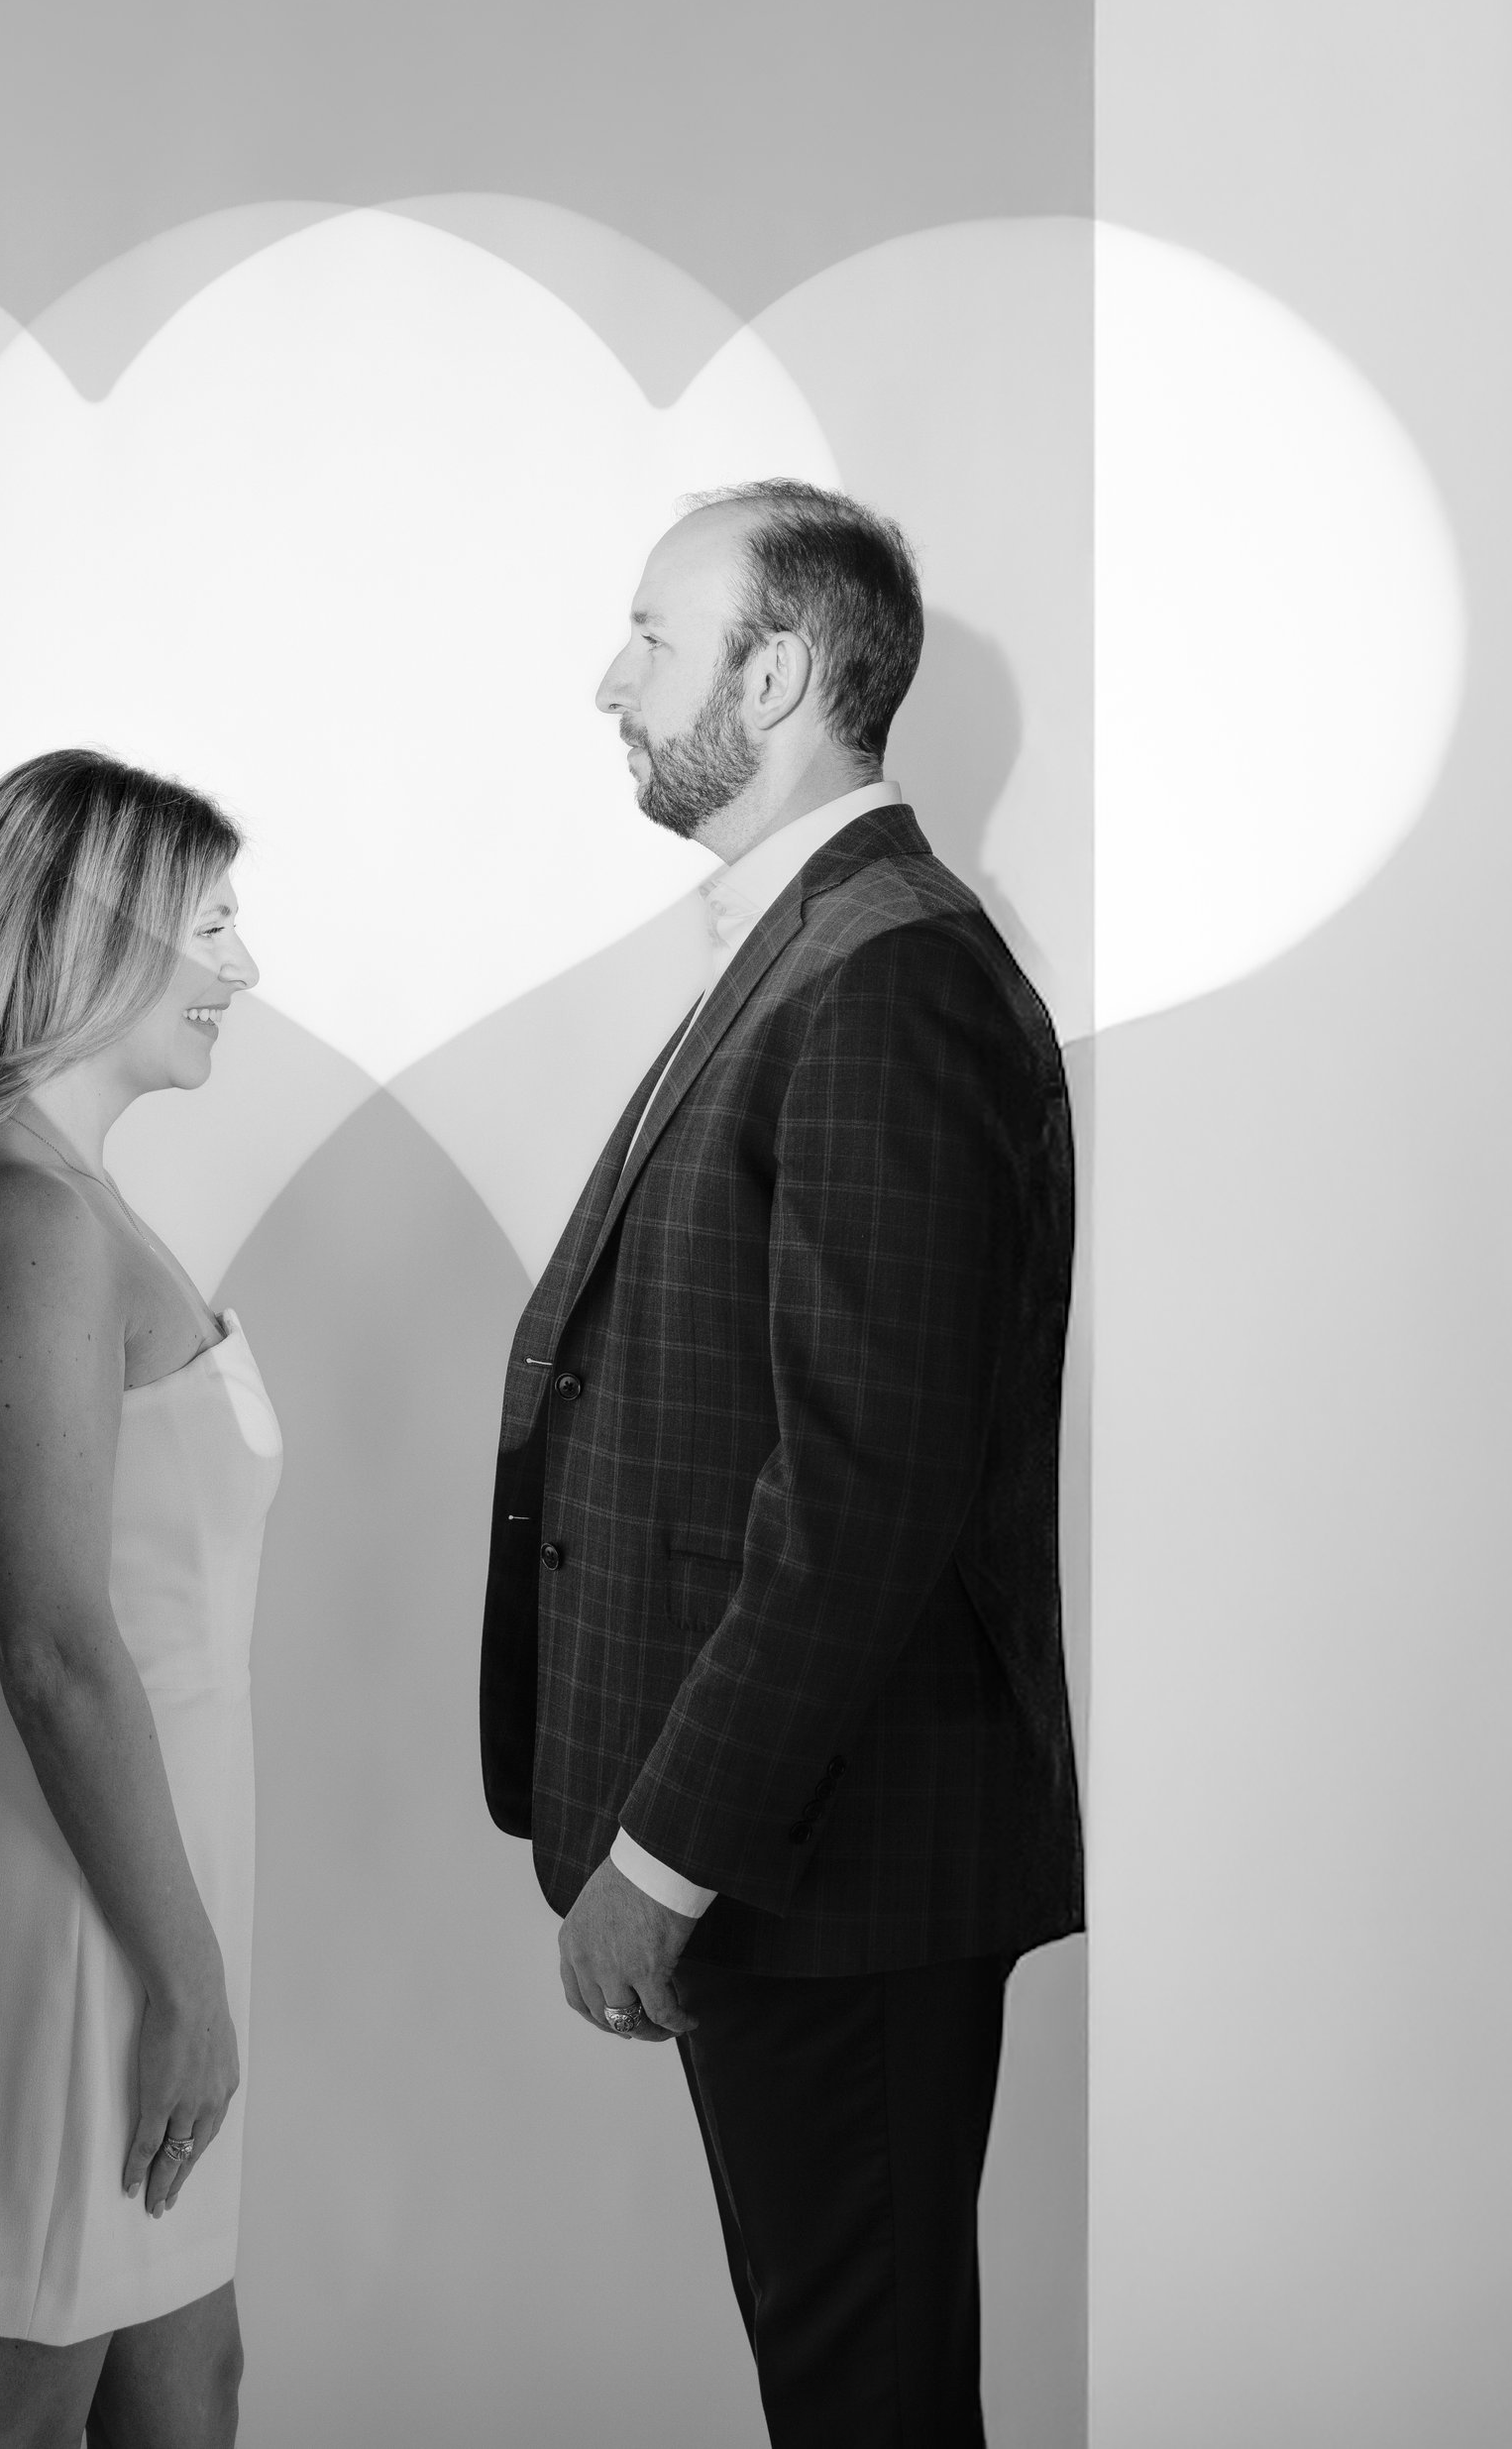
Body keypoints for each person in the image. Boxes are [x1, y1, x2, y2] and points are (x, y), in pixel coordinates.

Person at [478, 482, 1083, 2446]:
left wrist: (658, 1857)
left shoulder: (883, 975)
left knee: (866, 2398)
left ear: (780, 668)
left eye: (648, 638)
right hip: (803, 1863)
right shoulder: (814, 943)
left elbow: (857, 1496)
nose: (606, 681)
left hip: (833, 1871)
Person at [0, 749, 278, 2449]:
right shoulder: (26, 1221)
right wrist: (185, 1980)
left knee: (185, 2385)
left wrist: (188, 1958)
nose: (246, 969)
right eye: (214, 926)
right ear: (94, 940)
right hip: (68, 1892)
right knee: (15, 2414)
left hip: (138, 1879)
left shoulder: (74, 1204)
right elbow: (63, 1650)